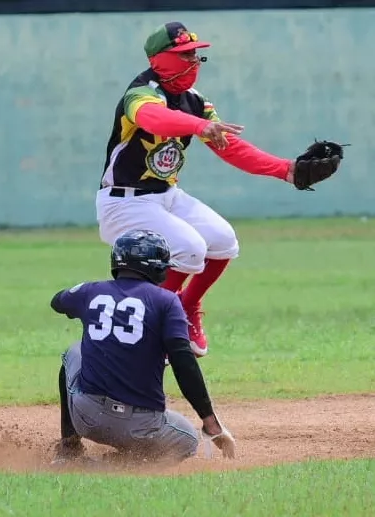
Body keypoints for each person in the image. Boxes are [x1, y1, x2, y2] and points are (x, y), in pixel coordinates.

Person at [95, 21, 339, 358]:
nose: (193, 60)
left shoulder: (195, 101)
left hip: (165, 195)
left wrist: (287, 170)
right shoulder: (141, 92)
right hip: (123, 202)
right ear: (159, 59)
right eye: (183, 54)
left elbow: (232, 148)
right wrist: (200, 126)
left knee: (223, 241)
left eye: (195, 54)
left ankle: (186, 306)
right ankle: (152, 326)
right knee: (191, 248)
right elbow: (154, 119)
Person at [50, 229, 235, 464]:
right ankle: (111, 465)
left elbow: (57, 301)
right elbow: (183, 362)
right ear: (158, 267)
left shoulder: (91, 291)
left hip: (86, 418)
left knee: (74, 352)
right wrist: (211, 422)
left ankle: (69, 451)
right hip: (141, 429)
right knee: (188, 440)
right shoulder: (166, 301)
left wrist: (82, 300)